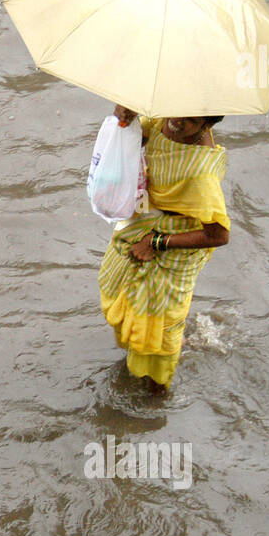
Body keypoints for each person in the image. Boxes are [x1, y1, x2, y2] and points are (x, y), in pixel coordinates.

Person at [98, 105, 230, 392]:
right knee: (119, 290)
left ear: (206, 126)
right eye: (178, 110)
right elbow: (138, 139)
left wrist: (156, 242)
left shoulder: (200, 176)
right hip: (146, 218)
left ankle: (157, 394)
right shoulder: (162, 120)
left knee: (161, 329)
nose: (177, 122)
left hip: (177, 242)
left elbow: (219, 235)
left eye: (190, 120)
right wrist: (125, 120)